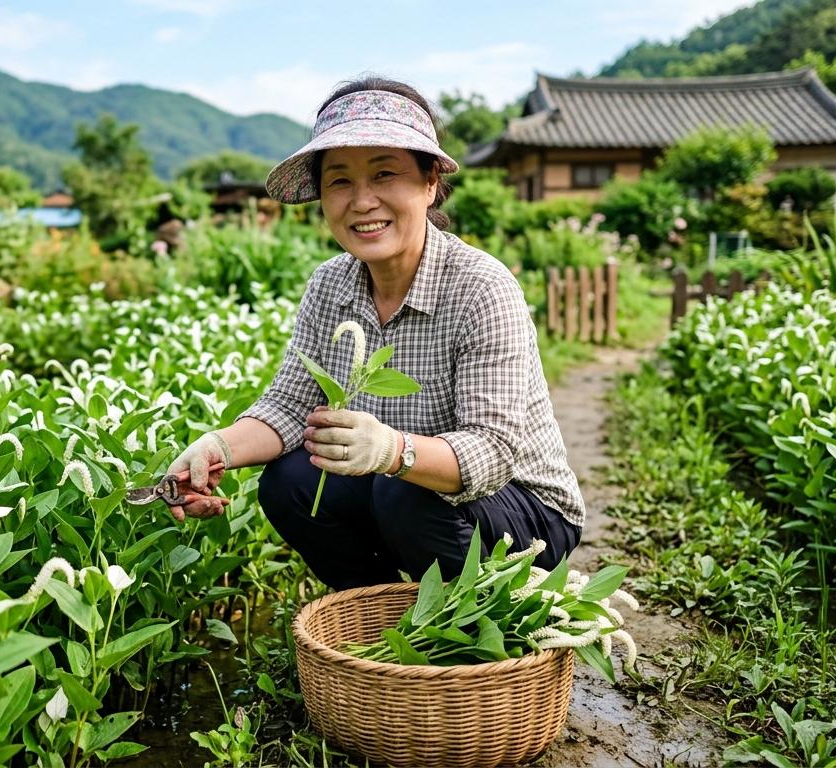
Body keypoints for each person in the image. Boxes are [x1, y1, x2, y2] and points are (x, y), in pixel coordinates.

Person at [166, 77, 584, 590]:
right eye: (339, 181)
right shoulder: (331, 282)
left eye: (385, 174)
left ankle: (486, 617)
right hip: (408, 496)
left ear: (430, 182)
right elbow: (291, 407)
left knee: (402, 491)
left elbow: (493, 452)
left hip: (524, 512)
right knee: (289, 483)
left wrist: (393, 451)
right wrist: (215, 449)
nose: (362, 201)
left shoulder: (481, 287)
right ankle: (379, 612)